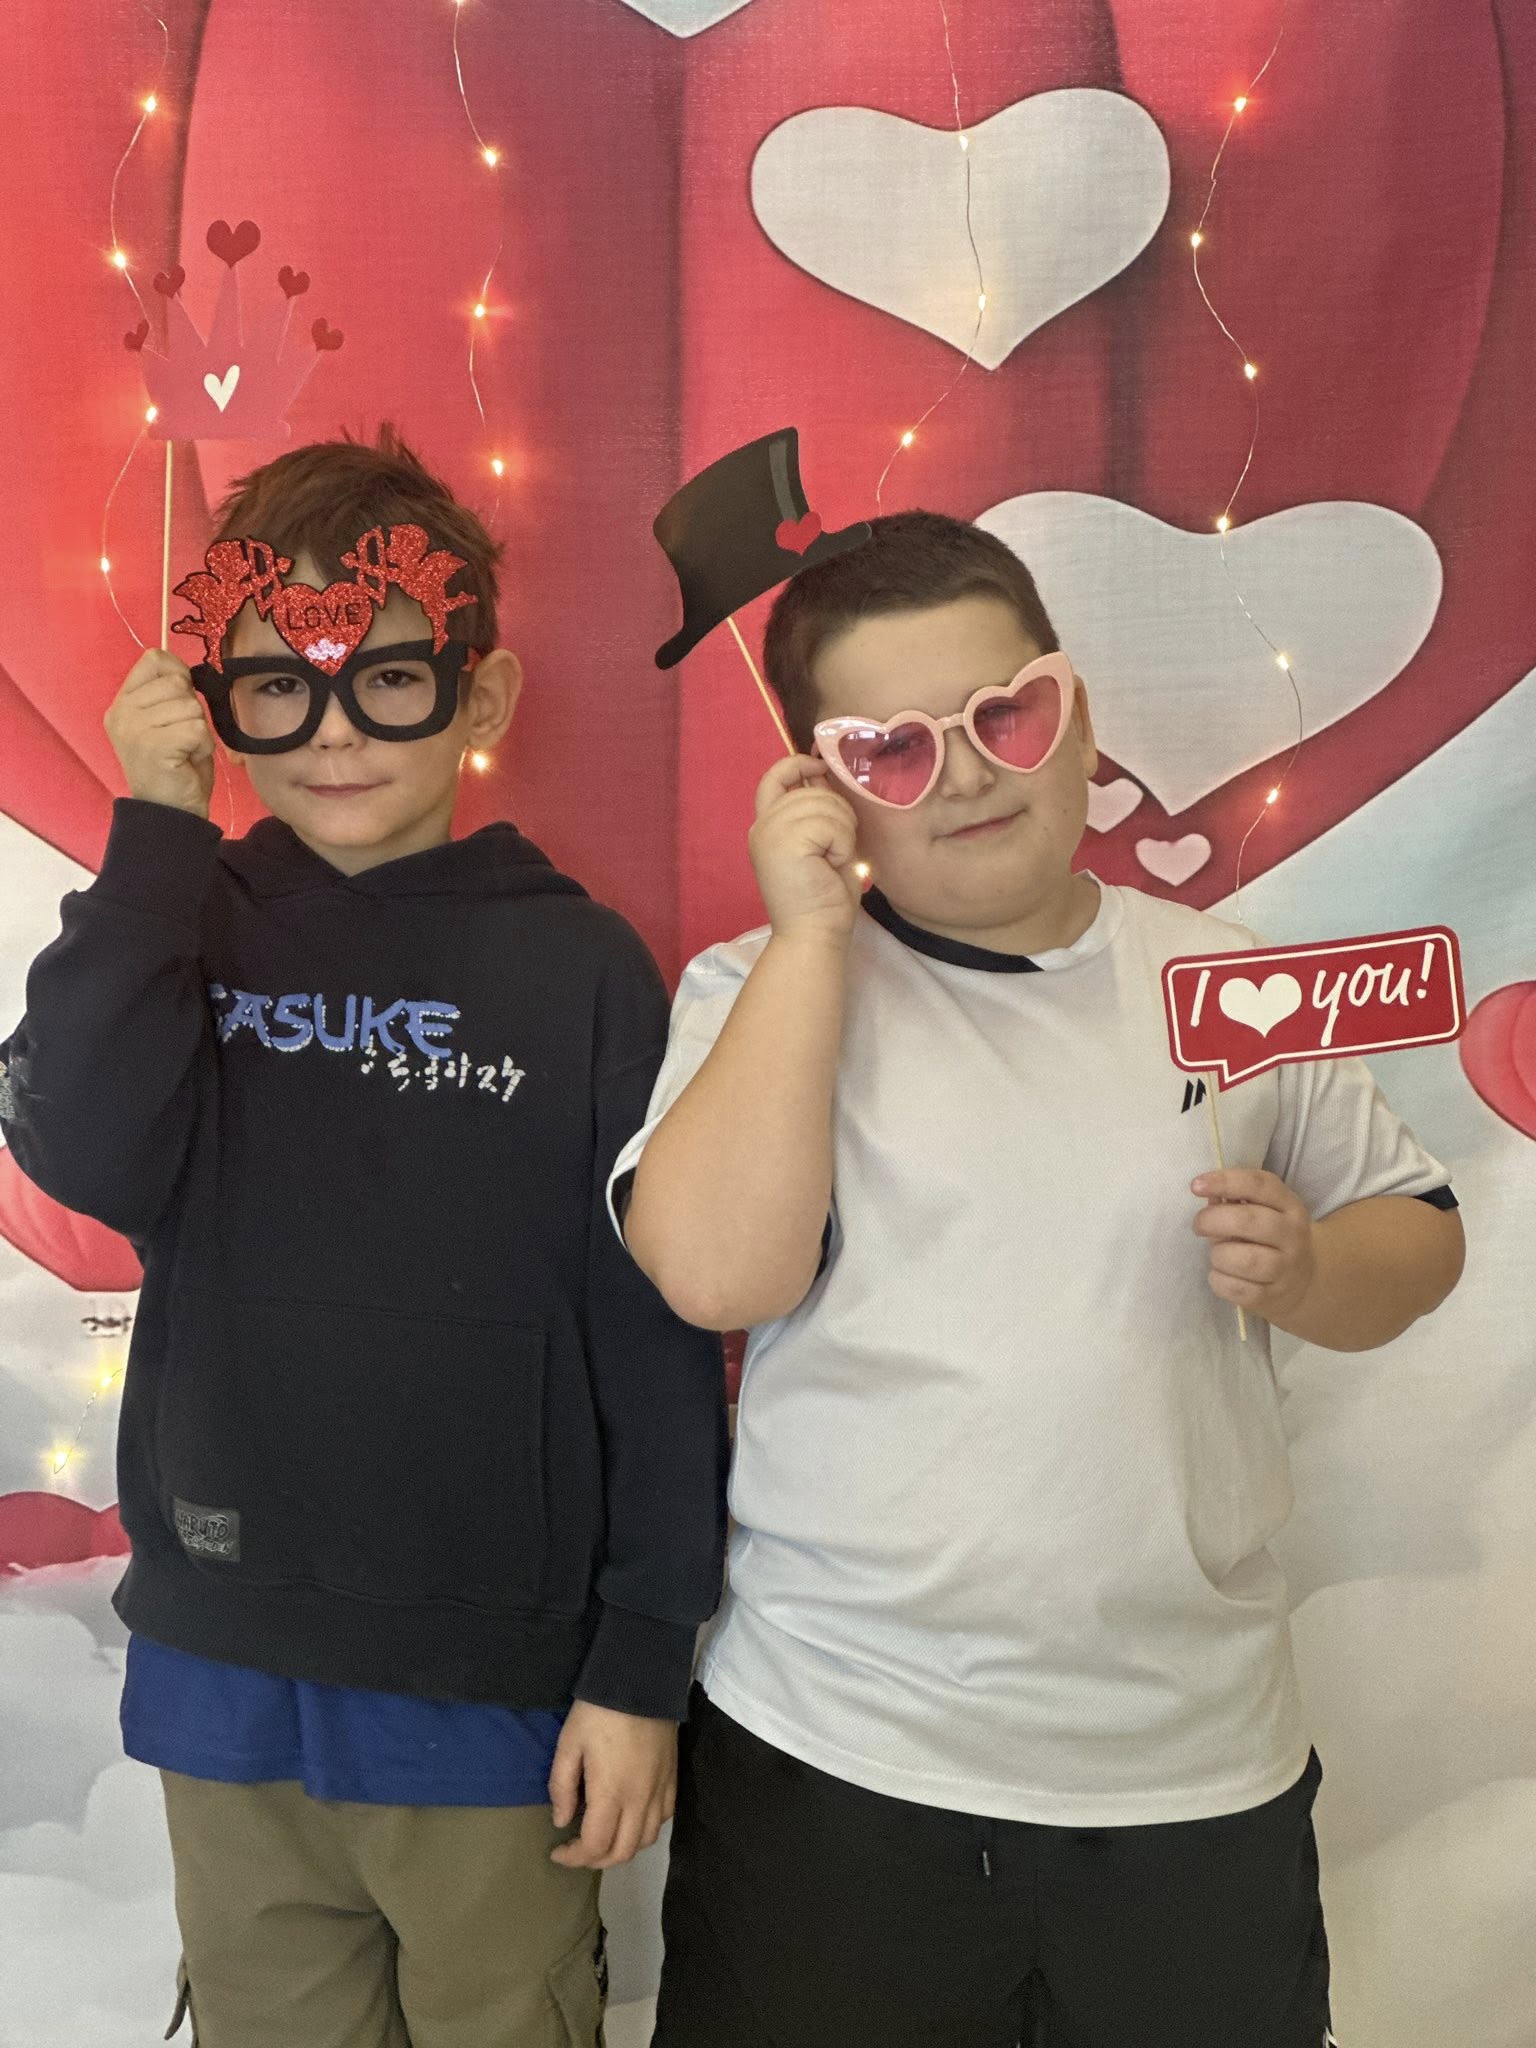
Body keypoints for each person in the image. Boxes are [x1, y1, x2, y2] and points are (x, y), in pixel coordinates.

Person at [615, 509, 1464, 2048]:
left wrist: (1315, 1267)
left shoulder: (1226, 976)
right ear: (821, 788)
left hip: (1190, 1774)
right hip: (836, 1760)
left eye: (1005, 714)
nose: (966, 773)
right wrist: (809, 940)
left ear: (1077, 719)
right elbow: (715, 1275)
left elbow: (1420, 1236)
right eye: (892, 751)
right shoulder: (752, 989)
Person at [0, 428, 727, 2048]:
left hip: (492, 1686)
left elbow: (656, 1332)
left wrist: (640, 1660)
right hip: (225, 1662)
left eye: (389, 679)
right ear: (218, 704)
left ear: (482, 692)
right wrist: (154, 832)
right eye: (278, 688)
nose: (333, 732)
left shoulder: (586, 969)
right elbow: (79, 1146)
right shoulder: (177, 922)